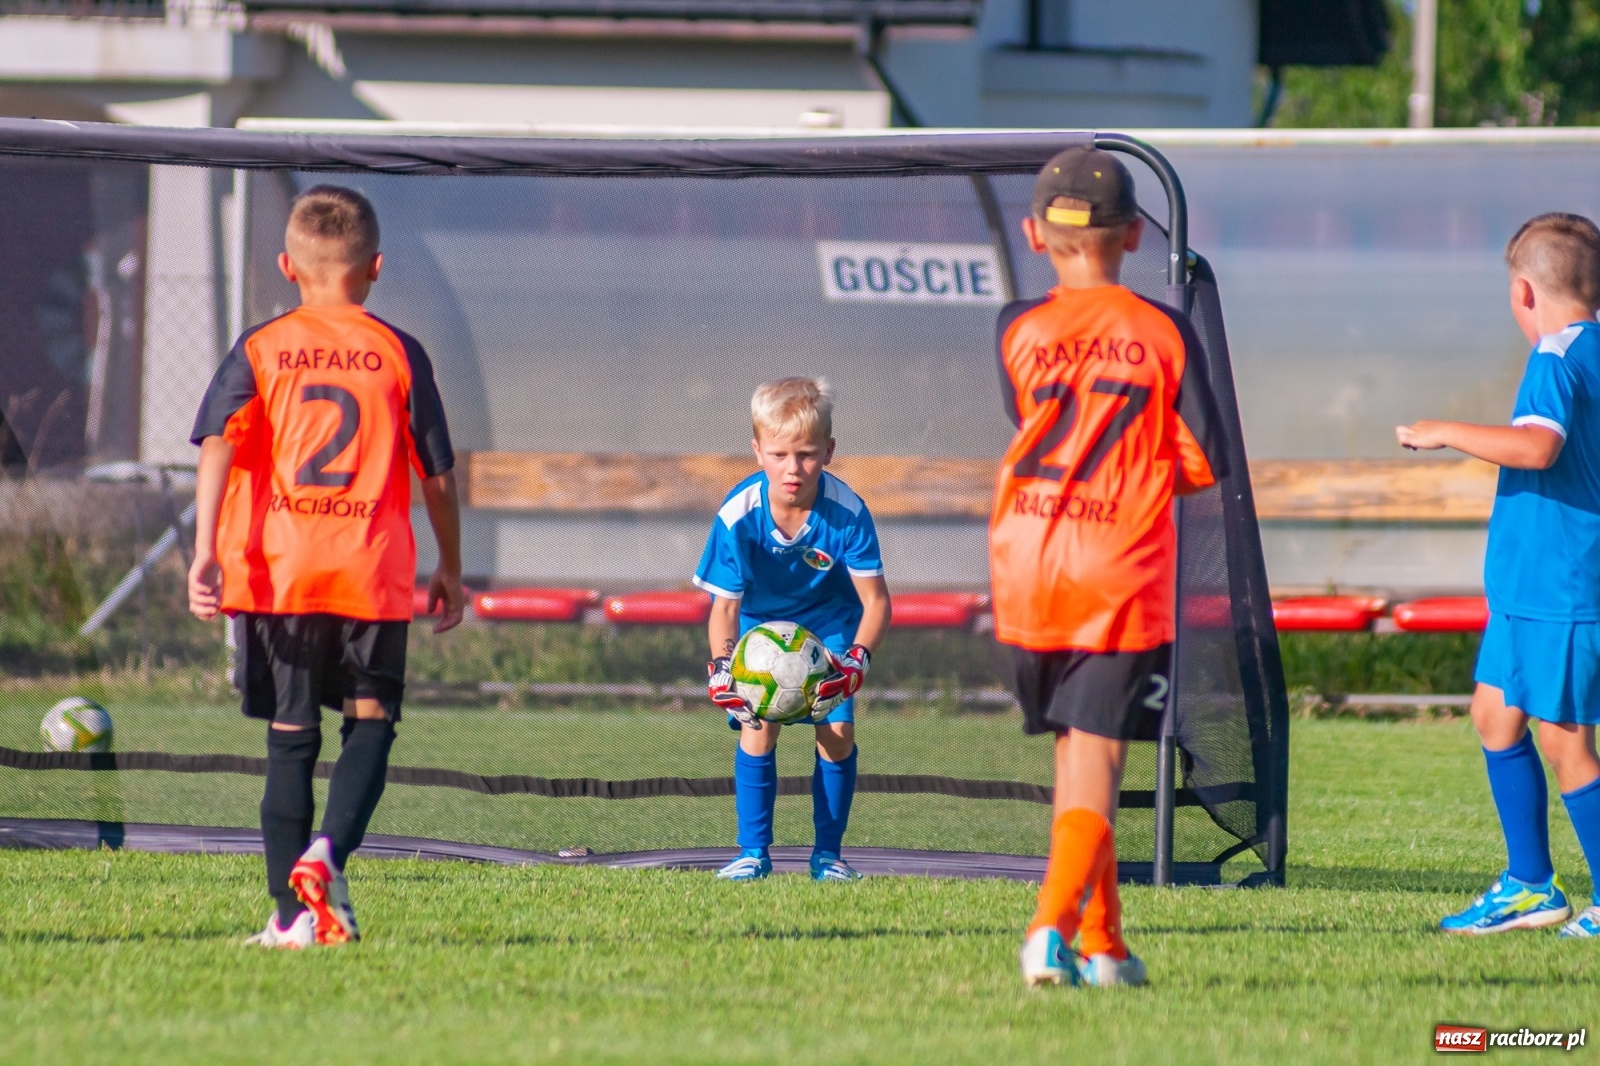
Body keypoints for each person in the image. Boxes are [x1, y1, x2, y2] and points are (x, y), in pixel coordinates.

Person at [188, 184, 464, 949]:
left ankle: (288, 918)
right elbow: (438, 475)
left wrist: (206, 548)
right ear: (374, 268)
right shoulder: (400, 352)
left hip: (280, 574)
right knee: (371, 722)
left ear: (286, 266)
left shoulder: (261, 347)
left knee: (290, 734)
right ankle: (328, 852)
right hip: (370, 574)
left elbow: (218, 445)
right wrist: (451, 564)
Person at [991, 147, 1226, 987]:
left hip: (1024, 554)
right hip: (1114, 563)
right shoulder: (1161, 330)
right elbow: (1207, 464)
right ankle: (1048, 927)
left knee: (1074, 753)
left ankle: (1104, 944)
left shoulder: (1016, 329)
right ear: (1133, 234)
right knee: (1100, 756)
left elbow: (1040, 417)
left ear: (1032, 233)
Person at [1397, 212, 1600, 938]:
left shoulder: (1556, 356)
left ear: (1523, 292)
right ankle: (1529, 886)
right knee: (1493, 713)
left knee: (1565, 739)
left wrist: (1446, 431)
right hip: (1528, 587)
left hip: (1560, 588)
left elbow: (1540, 449)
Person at [697, 377, 892, 882]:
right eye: (779, 453)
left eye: (806, 454)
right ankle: (752, 854)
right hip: (758, 628)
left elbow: (876, 602)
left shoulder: (848, 513)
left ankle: (828, 856)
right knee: (759, 730)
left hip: (829, 625)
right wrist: (722, 668)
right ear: (757, 450)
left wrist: (856, 661)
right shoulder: (738, 514)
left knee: (838, 732)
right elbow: (723, 607)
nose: (792, 468)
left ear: (828, 451)